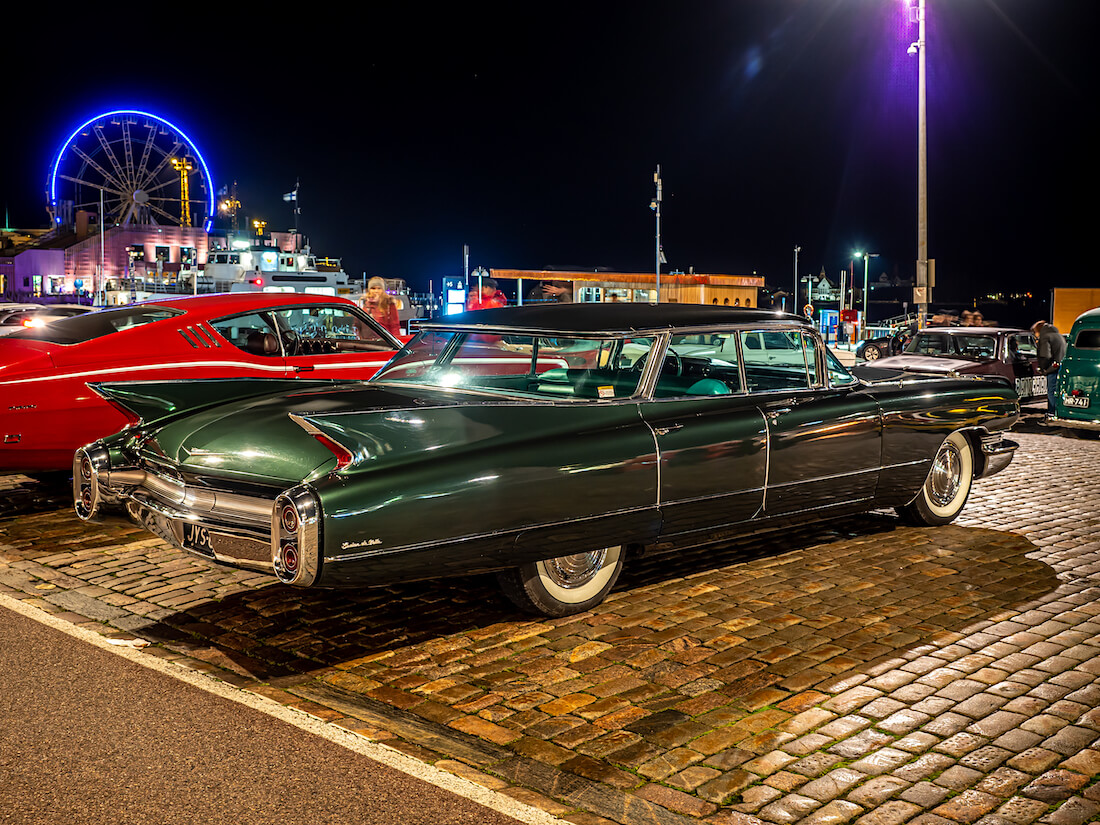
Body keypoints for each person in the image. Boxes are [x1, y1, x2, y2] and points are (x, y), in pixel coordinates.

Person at [1031, 320, 1066, 414]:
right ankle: (1059, 412)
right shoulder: (1058, 335)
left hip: (1053, 368)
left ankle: (1052, 412)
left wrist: (1044, 369)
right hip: (1061, 366)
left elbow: (1045, 355)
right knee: (1059, 391)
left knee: (1052, 391)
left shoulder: (1045, 337)